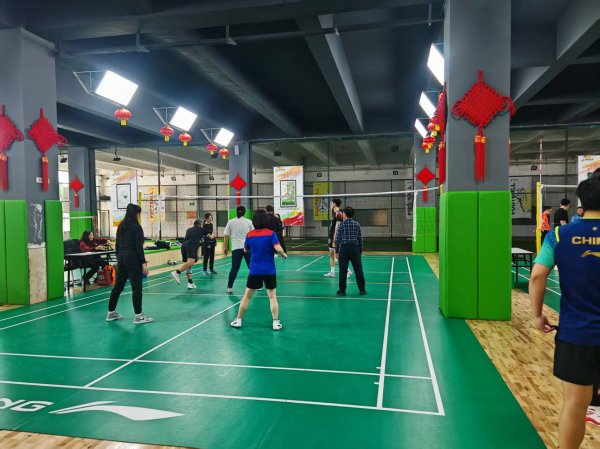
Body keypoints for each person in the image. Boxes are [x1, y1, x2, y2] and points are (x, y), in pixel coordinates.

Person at [528, 173, 600, 449]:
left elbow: (537, 276)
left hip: (576, 335)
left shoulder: (559, 235)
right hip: (578, 334)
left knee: (575, 403)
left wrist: (537, 315)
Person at [230, 210, 287, 330]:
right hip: (269, 270)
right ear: (266, 221)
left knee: (247, 297)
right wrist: (284, 254)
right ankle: (275, 322)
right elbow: (278, 248)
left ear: (254, 221)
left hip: (255, 271)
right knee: (272, 297)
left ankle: (238, 320)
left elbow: (245, 250)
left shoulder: (250, 235)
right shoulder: (271, 234)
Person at [106, 203, 153, 324]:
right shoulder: (136, 227)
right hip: (132, 258)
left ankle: (111, 313)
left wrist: (120, 258)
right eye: (138, 214)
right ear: (136, 214)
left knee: (118, 286)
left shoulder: (121, 226)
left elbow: (117, 245)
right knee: (136, 287)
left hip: (121, 258)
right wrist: (143, 263)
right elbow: (138, 247)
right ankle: (138, 316)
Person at [335, 207, 366, 296]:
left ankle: (342, 291)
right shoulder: (357, 224)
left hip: (344, 249)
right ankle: (362, 290)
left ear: (345, 214)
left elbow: (338, 239)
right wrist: (360, 249)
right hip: (355, 249)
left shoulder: (341, 225)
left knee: (342, 271)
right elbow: (360, 238)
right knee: (358, 270)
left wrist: (337, 250)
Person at [224, 205, 254, 293]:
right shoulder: (249, 222)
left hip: (236, 248)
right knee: (252, 267)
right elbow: (253, 235)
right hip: (247, 248)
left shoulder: (230, 222)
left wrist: (225, 247)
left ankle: (229, 287)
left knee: (234, 268)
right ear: (245, 212)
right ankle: (258, 285)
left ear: (236, 212)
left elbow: (226, 235)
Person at [171, 219, 208, 289]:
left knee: (189, 264)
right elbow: (209, 232)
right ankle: (177, 272)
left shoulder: (189, 230)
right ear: (200, 225)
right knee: (191, 261)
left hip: (184, 246)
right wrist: (207, 224)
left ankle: (190, 282)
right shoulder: (200, 229)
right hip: (191, 246)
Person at [324, 199, 343, 278]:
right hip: (331, 236)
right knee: (331, 255)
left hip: (334, 237)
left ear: (334, 204)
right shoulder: (334, 213)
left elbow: (337, 226)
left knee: (336, 255)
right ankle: (332, 272)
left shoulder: (339, 213)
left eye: (331, 203)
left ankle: (347, 271)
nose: (330, 205)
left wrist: (335, 237)